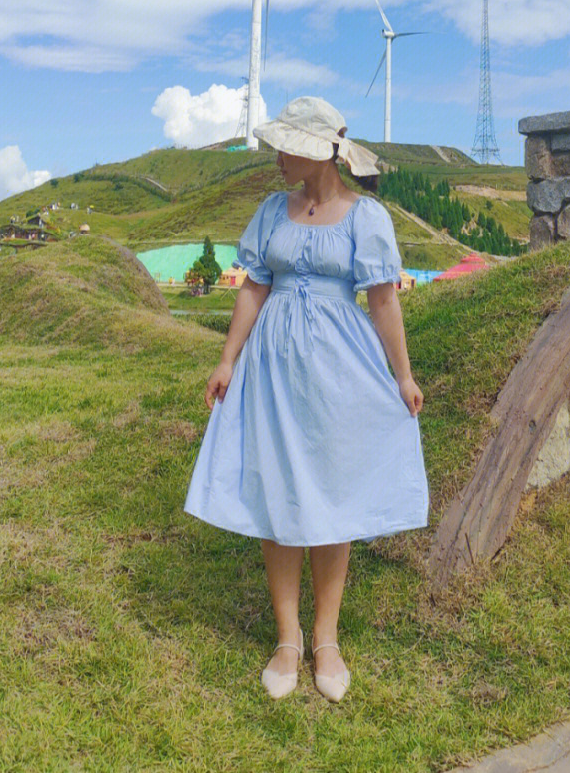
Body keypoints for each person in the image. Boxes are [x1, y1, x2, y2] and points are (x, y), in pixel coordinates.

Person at [184, 96, 429, 702]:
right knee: (278, 492)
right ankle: (287, 639)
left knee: (332, 494)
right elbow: (253, 287)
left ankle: (327, 639)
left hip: (340, 371)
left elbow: (382, 301)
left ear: (318, 151)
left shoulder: (364, 217)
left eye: (286, 147)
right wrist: (226, 359)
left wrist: (402, 376)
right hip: (272, 369)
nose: (276, 158)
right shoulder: (272, 211)